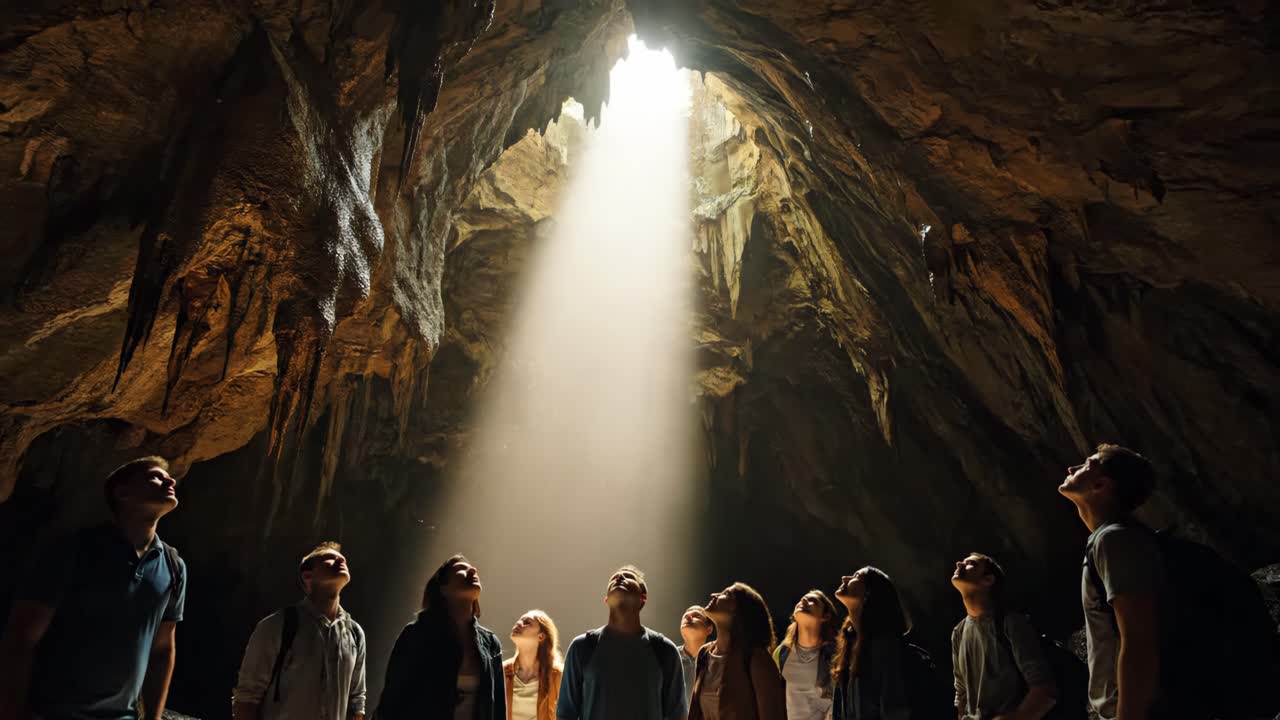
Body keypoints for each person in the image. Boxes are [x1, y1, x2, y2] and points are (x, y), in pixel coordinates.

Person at [0, 456, 186, 720]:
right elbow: (21, 637)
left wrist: (153, 717)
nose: (170, 479)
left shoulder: (173, 565)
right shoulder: (74, 550)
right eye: (155, 476)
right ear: (122, 493)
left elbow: (163, 648)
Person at [1058, 445, 1162, 720]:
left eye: (1086, 465)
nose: (1071, 469)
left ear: (1101, 485)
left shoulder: (1114, 540)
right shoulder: (1108, 540)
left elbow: (1139, 639)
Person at [232, 542, 366, 720]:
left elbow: (356, 701)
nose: (340, 559)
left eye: (342, 558)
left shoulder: (355, 634)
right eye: (329, 558)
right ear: (308, 576)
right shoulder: (278, 625)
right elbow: (247, 698)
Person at [377, 555, 506, 720]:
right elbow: (392, 700)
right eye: (462, 568)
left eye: (472, 568)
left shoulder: (490, 643)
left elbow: (498, 709)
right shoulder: (417, 635)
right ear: (443, 588)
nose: (473, 570)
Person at [556, 565, 686, 720]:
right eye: (613, 579)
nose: (618, 578)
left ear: (642, 598)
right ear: (606, 600)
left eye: (628, 577)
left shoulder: (664, 650)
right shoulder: (582, 647)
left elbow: (677, 714)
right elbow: (565, 713)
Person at [949, 553, 1056, 720]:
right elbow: (961, 692)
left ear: (988, 580)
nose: (959, 564)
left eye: (971, 564)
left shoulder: (1011, 623)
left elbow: (1044, 688)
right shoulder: (958, 633)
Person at [688, 583, 785, 720]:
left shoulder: (756, 658)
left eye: (726, 594)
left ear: (739, 609)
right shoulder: (704, 654)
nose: (714, 595)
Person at [830, 567, 910, 720]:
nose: (844, 578)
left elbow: (895, 711)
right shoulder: (849, 644)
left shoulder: (887, 648)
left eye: (856, 576)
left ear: (869, 593)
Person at [773, 590, 838, 720]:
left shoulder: (835, 655)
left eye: (812, 600)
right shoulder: (781, 653)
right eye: (801, 599)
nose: (803, 601)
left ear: (825, 616)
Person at [505, 610, 563, 720]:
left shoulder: (558, 676)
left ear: (541, 636)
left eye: (527, 622)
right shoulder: (501, 671)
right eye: (519, 621)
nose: (518, 624)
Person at [678, 606, 714, 706]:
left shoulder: (718, 660)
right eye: (685, 615)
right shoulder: (669, 658)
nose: (689, 616)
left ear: (709, 628)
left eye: (696, 615)